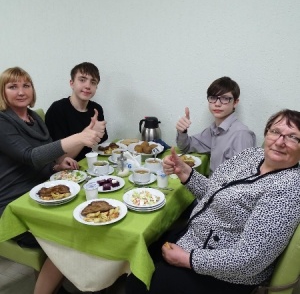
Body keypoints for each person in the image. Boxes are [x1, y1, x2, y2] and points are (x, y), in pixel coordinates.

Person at [126, 109, 300, 294]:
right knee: (140, 256)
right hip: (194, 239)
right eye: (275, 132)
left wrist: (187, 259)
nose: (280, 142)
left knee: (139, 282)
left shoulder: (288, 187)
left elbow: (250, 259)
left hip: (225, 274)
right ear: (267, 133)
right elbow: (215, 193)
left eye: (293, 137)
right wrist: (186, 173)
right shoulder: (252, 156)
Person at [0, 66, 102, 294]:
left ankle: (57, 284)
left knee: (86, 216)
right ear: (2, 91)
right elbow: (30, 156)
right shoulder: (2, 121)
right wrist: (79, 137)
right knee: (69, 235)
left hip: (43, 193)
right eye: (12, 86)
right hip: (15, 205)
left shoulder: (34, 117)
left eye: (26, 85)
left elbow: (43, 157)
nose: (20, 91)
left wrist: (57, 164)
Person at [176, 76, 256, 174]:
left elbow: (243, 177)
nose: (217, 104)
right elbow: (186, 147)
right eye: (213, 98)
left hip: (226, 188)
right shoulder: (214, 130)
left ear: (235, 102)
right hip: (212, 185)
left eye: (225, 98)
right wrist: (182, 131)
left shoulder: (241, 134)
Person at [45, 62, 108, 161]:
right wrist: (85, 135)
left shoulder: (96, 109)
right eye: (82, 80)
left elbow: (100, 147)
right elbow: (60, 160)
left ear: (96, 87)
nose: (88, 86)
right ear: (72, 83)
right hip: (66, 170)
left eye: (93, 82)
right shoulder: (58, 109)